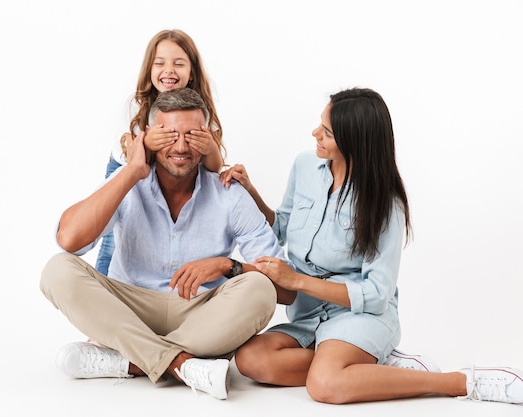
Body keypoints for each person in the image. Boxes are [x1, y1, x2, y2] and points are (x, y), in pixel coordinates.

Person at [220, 87, 523, 405]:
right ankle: (368, 367)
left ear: (354, 143)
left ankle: (458, 382)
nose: (315, 134)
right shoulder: (304, 167)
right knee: (251, 361)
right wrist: (250, 191)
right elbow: (281, 226)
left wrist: (296, 280)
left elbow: (377, 293)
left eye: (327, 132)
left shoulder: (385, 205)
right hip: (309, 315)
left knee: (324, 385)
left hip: (362, 315)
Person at [40, 87, 290, 400]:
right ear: (149, 137)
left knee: (260, 288)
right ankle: (184, 364)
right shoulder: (129, 183)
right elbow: (69, 240)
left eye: (192, 135)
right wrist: (132, 169)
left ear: (208, 139)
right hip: (130, 308)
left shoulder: (229, 194)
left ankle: (129, 361)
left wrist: (228, 265)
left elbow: (285, 290)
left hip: (198, 311)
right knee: (57, 270)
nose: (181, 147)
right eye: (169, 135)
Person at [95, 29, 225, 276]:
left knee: (159, 237)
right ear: (149, 69)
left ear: (191, 72)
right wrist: (146, 144)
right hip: (126, 169)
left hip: (173, 180)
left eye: (179, 63)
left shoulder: (200, 107)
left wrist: (208, 147)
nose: (169, 70)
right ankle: (104, 288)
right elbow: (132, 162)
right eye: (160, 63)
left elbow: (213, 167)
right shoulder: (135, 106)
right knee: (113, 237)